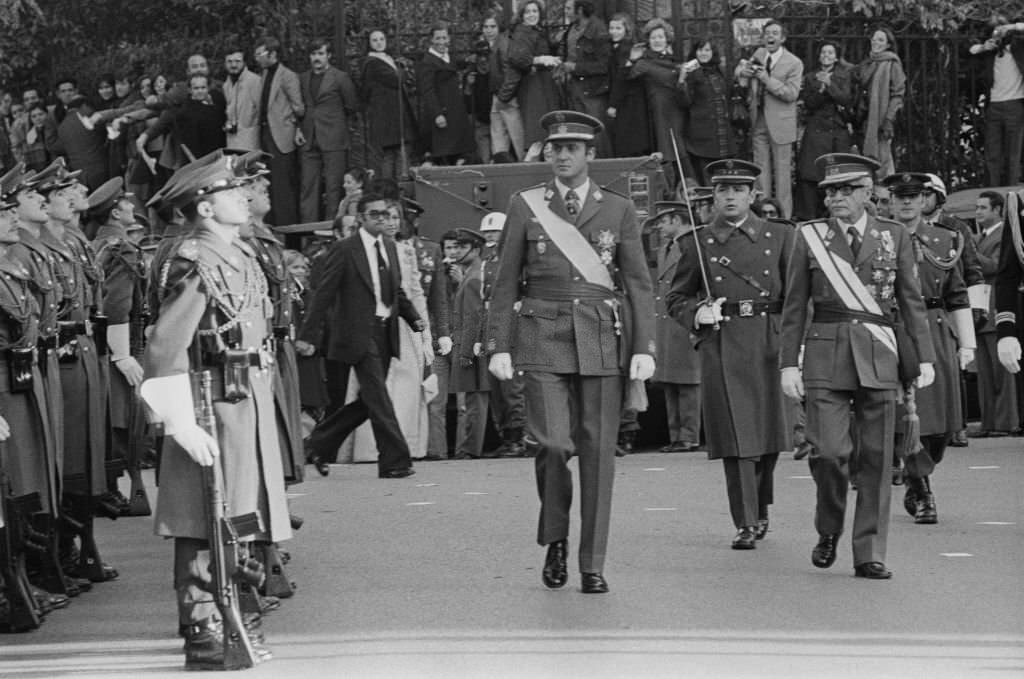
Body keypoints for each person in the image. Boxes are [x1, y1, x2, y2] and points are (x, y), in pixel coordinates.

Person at [486, 111, 656, 593]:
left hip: (601, 335)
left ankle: (593, 561)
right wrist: (498, 343)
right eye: (554, 147)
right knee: (554, 445)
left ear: (590, 156)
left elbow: (640, 284)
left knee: (600, 455)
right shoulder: (526, 205)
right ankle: (556, 536)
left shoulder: (618, 209)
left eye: (572, 148)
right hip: (541, 333)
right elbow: (504, 283)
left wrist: (644, 347)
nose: (561, 155)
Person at [138, 153, 290, 669]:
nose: (243, 198)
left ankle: (237, 608)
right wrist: (178, 419)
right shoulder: (194, 260)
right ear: (204, 206)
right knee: (204, 519)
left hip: (244, 400)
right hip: (211, 402)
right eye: (231, 193)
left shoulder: (238, 254)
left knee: (240, 513)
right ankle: (202, 623)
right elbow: (163, 346)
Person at [780, 153, 936, 580]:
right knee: (829, 453)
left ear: (869, 193)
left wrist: (923, 356)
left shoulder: (894, 236)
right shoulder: (808, 237)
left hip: (879, 353)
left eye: (845, 190)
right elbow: (794, 305)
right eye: (830, 191)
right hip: (825, 353)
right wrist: (787, 365)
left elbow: (911, 300)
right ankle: (829, 526)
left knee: (876, 458)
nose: (835, 198)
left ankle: (869, 551)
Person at [665, 160, 791, 549]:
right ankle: (746, 519)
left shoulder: (782, 236)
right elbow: (675, 297)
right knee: (738, 437)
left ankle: (761, 505)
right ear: (714, 197)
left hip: (770, 340)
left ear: (753, 195)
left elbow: (795, 295)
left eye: (739, 190)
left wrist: (796, 342)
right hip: (724, 340)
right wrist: (697, 313)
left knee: (767, 436)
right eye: (723, 190)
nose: (731, 197)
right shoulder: (697, 243)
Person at [295, 192, 426, 478]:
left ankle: (317, 444)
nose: (383, 219)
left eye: (386, 213)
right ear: (363, 218)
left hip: (385, 331)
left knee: (369, 399)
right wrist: (308, 335)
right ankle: (395, 461)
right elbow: (324, 294)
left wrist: (415, 320)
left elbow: (395, 292)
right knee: (379, 396)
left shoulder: (390, 248)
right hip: (357, 334)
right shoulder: (345, 249)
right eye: (375, 214)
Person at [881, 171, 975, 525]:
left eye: (914, 196)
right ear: (890, 201)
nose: (906, 202)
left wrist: (967, 342)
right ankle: (922, 490)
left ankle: (922, 469)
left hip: (935, 327)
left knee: (941, 424)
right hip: (894, 328)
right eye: (899, 196)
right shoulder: (878, 237)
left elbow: (957, 292)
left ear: (925, 200)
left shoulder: (945, 238)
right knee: (908, 415)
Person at [648, 200, 703, 453]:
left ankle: (689, 435)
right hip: (666, 321)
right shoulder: (666, 248)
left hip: (684, 320)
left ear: (677, 220)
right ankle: (675, 434)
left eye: (664, 220)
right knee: (669, 380)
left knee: (688, 382)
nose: (659, 226)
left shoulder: (694, 244)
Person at [735, 19, 803, 218]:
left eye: (775, 33)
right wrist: (743, 73)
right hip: (759, 120)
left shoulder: (794, 62)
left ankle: (784, 219)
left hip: (781, 124)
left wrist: (766, 79)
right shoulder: (758, 55)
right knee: (760, 173)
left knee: (782, 176)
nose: (770, 37)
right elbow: (740, 75)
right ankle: (761, 216)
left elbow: (791, 94)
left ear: (782, 38)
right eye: (767, 33)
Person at [479, 212, 527, 457]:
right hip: (490, 320)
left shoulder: (517, 258)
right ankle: (506, 436)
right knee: (495, 384)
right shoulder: (485, 259)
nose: (490, 237)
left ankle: (519, 437)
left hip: (513, 318)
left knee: (512, 383)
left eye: (495, 232)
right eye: (487, 233)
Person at [298, 38, 360, 223]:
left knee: (334, 187)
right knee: (308, 186)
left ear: (329, 56)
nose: (317, 58)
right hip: (309, 137)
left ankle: (332, 229)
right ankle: (308, 231)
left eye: (321, 53)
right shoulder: (303, 78)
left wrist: (337, 123)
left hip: (334, 137)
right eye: (314, 54)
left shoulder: (340, 77)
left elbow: (351, 105)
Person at [974, 191, 1018, 436]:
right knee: (985, 374)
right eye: (977, 207)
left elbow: (995, 266)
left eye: (983, 207)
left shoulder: (1005, 234)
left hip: (996, 308)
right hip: (979, 310)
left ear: (998, 210)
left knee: (1002, 372)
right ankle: (988, 422)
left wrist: (969, 251)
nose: (978, 212)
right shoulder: (980, 237)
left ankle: (1005, 422)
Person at [795, 42, 854, 221]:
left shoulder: (845, 76)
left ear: (836, 57)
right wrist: (821, 89)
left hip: (838, 131)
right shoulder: (811, 77)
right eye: (823, 52)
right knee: (811, 174)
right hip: (816, 130)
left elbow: (846, 99)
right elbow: (810, 103)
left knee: (838, 174)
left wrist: (830, 85)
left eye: (830, 53)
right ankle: (811, 217)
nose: (826, 55)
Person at [448, 227, 491, 459]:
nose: (456, 251)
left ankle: (469, 448)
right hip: (470, 343)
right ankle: (468, 447)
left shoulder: (473, 279)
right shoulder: (472, 275)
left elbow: (473, 317)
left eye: (463, 247)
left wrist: (466, 351)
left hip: (470, 345)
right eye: (455, 247)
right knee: (474, 399)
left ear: (476, 250)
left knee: (474, 400)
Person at [629, 19, 686, 186]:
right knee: (665, 151)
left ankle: (682, 188)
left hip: (676, 111)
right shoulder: (644, 62)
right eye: (653, 37)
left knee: (679, 149)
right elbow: (627, 77)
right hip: (659, 112)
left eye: (661, 37)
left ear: (667, 39)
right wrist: (631, 61)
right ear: (648, 40)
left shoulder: (673, 60)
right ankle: (668, 188)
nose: (657, 40)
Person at [255, 36, 305, 226]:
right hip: (266, 136)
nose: (257, 58)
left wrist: (290, 122)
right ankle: (272, 226)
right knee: (269, 183)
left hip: (281, 136)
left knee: (284, 186)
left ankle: (288, 228)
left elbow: (299, 107)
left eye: (261, 54)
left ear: (273, 54)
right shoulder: (266, 74)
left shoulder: (287, 76)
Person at [360, 30, 418, 180]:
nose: (379, 42)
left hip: (394, 115)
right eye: (375, 40)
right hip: (387, 117)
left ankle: (397, 189)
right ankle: (393, 190)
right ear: (369, 43)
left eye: (381, 39)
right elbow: (396, 78)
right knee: (392, 155)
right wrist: (403, 70)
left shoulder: (387, 59)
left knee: (395, 154)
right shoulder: (372, 62)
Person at [677, 38, 735, 185]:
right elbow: (684, 102)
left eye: (707, 50)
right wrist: (682, 79)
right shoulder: (691, 71)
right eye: (700, 50)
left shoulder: (718, 71)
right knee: (705, 177)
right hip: (701, 133)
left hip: (721, 132)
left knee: (722, 177)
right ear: (695, 52)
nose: (704, 53)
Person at [417, 21, 475, 165]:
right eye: (438, 38)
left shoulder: (450, 58)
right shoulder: (427, 62)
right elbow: (427, 91)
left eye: (444, 38)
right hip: (443, 115)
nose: (442, 42)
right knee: (445, 154)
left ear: (449, 39)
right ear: (432, 40)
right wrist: (437, 114)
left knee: (460, 155)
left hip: (456, 115)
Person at [974, 18, 1024, 186]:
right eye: (995, 31)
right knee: (992, 153)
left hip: (1015, 104)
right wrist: (983, 47)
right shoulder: (990, 51)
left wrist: (1011, 26)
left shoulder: (1019, 46)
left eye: (1001, 31)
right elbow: (968, 50)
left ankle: (1012, 193)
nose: (998, 34)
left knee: (1013, 153)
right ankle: (992, 193)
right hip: (993, 105)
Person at [559, 0, 611, 159]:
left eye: (568, 8)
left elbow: (603, 66)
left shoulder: (599, 30)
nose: (566, 12)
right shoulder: (572, 28)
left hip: (592, 91)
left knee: (596, 134)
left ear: (580, 10)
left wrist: (575, 67)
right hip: (573, 88)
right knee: (578, 132)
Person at [506, 0, 562, 149]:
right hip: (532, 84)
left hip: (543, 82)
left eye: (535, 11)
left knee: (547, 124)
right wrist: (539, 59)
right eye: (528, 12)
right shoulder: (521, 32)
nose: (532, 15)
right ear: (522, 15)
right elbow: (516, 57)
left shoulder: (536, 30)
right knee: (537, 125)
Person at [852, 27, 905, 178]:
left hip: (881, 120)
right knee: (867, 162)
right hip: (864, 119)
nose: (875, 42)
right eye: (874, 38)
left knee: (883, 160)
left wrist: (889, 119)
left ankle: (887, 194)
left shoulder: (892, 63)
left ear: (888, 45)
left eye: (880, 40)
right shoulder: (867, 64)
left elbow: (898, 94)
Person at [605, 13, 650, 158]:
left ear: (626, 29)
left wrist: (613, 104)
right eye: (611, 28)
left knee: (628, 140)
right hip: (628, 98)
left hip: (629, 99)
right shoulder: (616, 48)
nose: (614, 31)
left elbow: (621, 78)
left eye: (618, 28)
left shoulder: (626, 49)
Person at [486, 12, 526, 162]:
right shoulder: (496, 44)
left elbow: (511, 73)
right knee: (500, 139)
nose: (488, 30)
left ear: (499, 28)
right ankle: (501, 166)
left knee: (516, 139)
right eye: (486, 27)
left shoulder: (503, 43)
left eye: (492, 27)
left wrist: (503, 97)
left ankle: (524, 169)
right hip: (499, 96)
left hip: (507, 98)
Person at [223, 48, 263, 151]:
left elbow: (261, 110)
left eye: (237, 61)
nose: (233, 65)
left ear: (244, 62)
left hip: (250, 140)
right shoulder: (226, 85)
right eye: (230, 61)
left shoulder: (254, 81)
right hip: (231, 139)